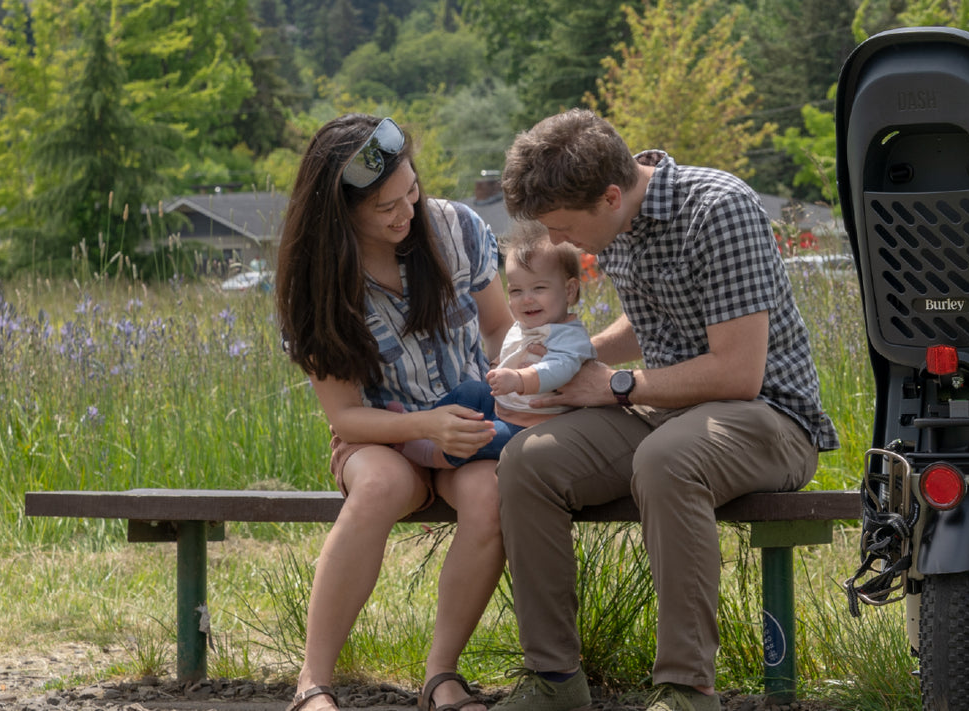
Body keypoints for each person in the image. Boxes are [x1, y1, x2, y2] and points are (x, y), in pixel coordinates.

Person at [491, 108, 840, 711]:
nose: (559, 243)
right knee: (527, 462)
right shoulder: (617, 222)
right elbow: (650, 316)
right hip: (667, 413)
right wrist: (574, 361)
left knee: (665, 461)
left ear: (609, 195)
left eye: (565, 227)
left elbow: (738, 371)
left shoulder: (718, 209)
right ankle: (553, 682)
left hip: (770, 416)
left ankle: (685, 690)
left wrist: (616, 385)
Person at [274, 114, 508, 711]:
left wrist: (516, 394)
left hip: (471, 428)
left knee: (492, 495)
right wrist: (424, 426)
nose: (407, 212)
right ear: (339, 213)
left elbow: (503, 330)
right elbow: (346, 418)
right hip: (380, 438)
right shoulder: (318, 282)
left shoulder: (458, 229)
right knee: (376, 484)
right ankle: (313, 684)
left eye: (411, 191)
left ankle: (442, 676)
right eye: (385, 208)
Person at [392, 220, 596, 469]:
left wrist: (520, 379)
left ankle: (431, 457)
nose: (526, 299)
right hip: (504, 404)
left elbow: (559, 368)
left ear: (570, 290)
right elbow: (510, 351)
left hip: (535, 423)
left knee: (483, 436)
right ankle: (425, 426)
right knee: (470, 391)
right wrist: (498, 365)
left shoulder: (569, 336)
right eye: (516, 291)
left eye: (539, 288)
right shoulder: (524, 327)